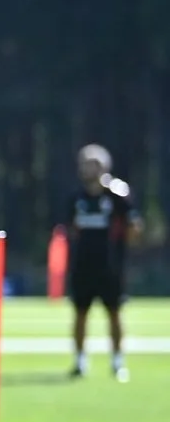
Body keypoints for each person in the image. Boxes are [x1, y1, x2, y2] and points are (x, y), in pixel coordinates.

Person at [68, 144, 135, 382]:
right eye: (86, 164)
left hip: (110, 267)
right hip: (83, 265)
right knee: (80, 313)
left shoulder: (117, 195)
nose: (90, 169)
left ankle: (118, 362)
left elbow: (133, 226)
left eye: (94, 164)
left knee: (114, 313)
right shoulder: (76, 197)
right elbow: (70, 230)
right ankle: (79, 361)